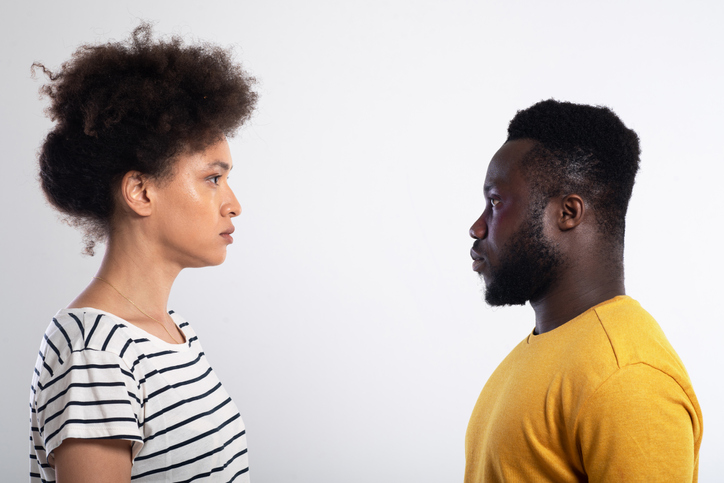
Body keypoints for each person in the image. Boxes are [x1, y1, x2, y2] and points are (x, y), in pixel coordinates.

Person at [29, 23, 257, 482]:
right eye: (213, 178)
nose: (233, 203)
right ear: (140, 191)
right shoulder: (94, 354)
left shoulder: (172, 334)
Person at [466, 100, 703, 482]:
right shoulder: (544, 353)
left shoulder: (627, 377)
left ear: (568, 213)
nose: (478, 227)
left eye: (495, 202)